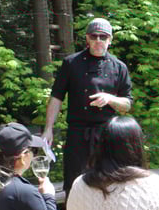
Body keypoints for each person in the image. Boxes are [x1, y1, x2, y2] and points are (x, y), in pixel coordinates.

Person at [42, 18, 133, 198]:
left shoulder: (119, 67)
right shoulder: (71, 63)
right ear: (87, 39)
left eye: (103, 36)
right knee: (74, 183)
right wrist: (48, 129)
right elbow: (56, 97)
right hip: (77, 134)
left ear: (110, 39)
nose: (98, 40)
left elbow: (127, 105)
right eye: (94, 36)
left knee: (110, 182)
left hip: (108, 134)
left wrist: (110, 99)